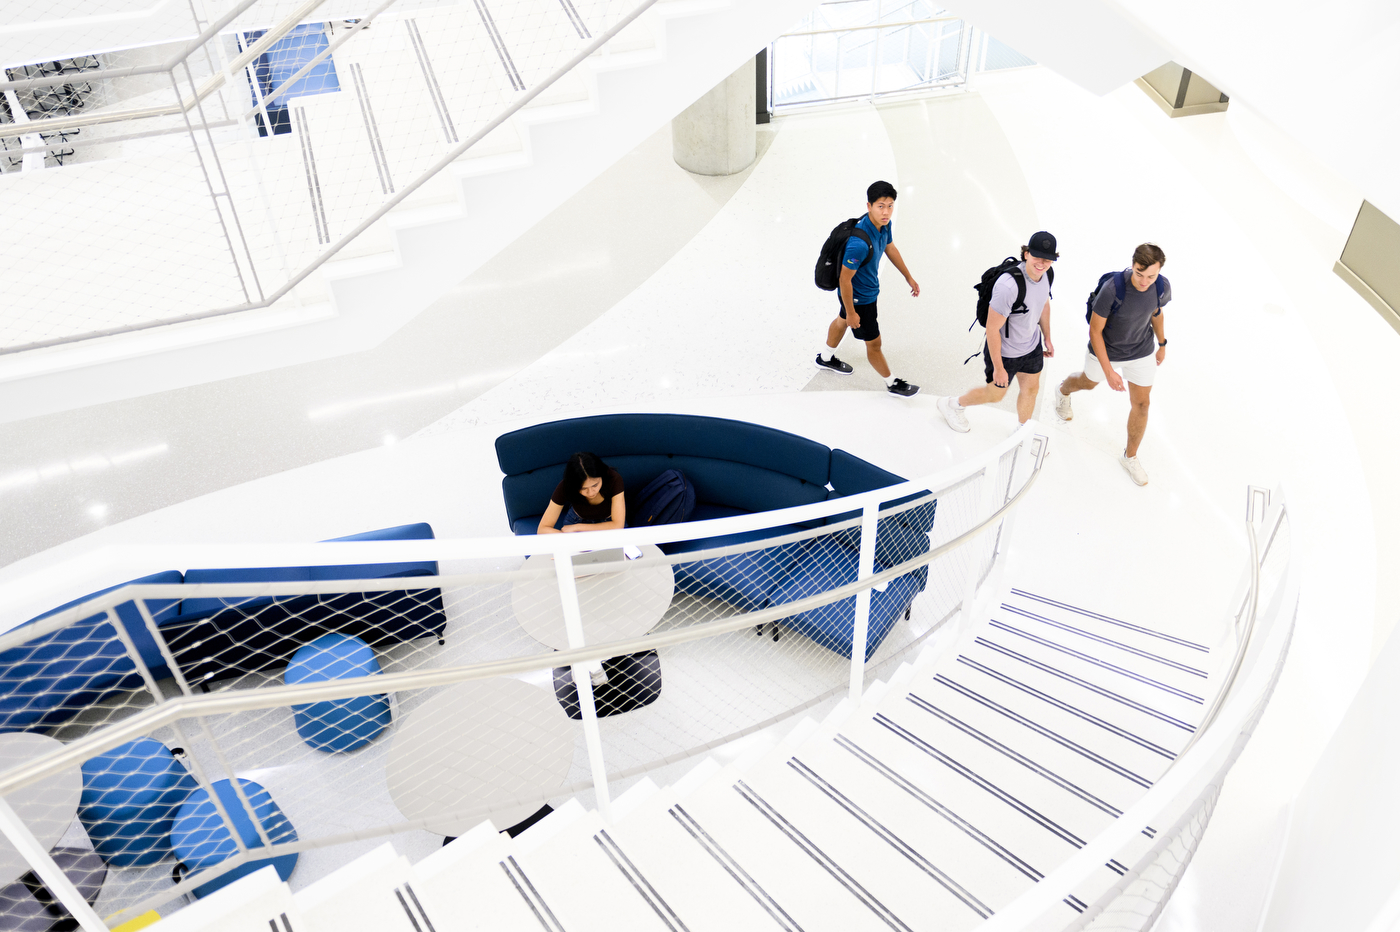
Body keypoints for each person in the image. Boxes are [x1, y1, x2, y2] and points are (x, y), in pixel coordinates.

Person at [1052, 243, 1171, 486]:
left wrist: (1162, 343)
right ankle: (1063, 390)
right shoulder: (1113, 289)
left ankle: (1130, 456)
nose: (1145, 281)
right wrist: (1109, 372)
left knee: (1142, 403)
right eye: (1139, 273)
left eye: (1151, 275)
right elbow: (1095, 331)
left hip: (1141, 350)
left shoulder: (1161, 286)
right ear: (1133, 264)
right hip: (1106, 350)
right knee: (1087, 382)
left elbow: (1156, 312)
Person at [938, 231, 1058, 431]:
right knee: (995, 394)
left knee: (1031, 389)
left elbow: (1044, 304)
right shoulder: (1008, 286)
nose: (1042, 264)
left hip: (1031, 345)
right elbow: (992, 329)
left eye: (1047, 260)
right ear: (1026, 253)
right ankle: (953, 405)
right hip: (1006, 352)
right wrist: (999, 367)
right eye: (1037, 257)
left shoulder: (1047, 275)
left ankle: (1022, 432)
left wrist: (1047, 338)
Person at [815, 180, 922, 397]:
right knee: (874, 344)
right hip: (860, 299)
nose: (886, 212)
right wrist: (853, 311)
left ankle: (825, 358)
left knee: (841, 320)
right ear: (869, 206)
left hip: (860, 295)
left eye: (890, 205)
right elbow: (845, 281)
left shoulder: (883, 225)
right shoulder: (859, 244)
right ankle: (892, 383)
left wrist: (908, 276)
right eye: (880, 206)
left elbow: (890, 248)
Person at [537, 452, 625, 533]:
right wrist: (567, 539)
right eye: (583, 488)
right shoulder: (566, 485)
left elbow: (617, 525)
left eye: (595, 485)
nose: (591, 493)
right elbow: (542, 529)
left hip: (608, 522)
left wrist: (577, 527)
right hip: (577, 519)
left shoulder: (613, 478)